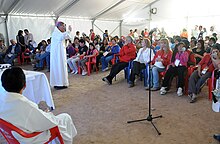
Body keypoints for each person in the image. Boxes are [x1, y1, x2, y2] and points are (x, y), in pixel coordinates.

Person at [0, 67, 77, 144]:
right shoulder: (26, 105)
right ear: (25, 85)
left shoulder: (2, 100)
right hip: (29, 138)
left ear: (3, 85)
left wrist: (40, 113)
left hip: (14, 135)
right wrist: (46, 114)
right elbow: (49, 122)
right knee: (65, 118)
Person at [50, 21, 70, 90]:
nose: (64, 28)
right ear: (59, 26)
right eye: (63, 26)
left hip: (60, 54)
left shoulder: (59, 33)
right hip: (57, 56)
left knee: (61, 68)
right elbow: (62, 37)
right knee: (58, 68)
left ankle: (62, 83)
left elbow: (64, 44)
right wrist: (68, 31)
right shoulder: (56, 33)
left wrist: (67, 40)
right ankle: (58, 83)